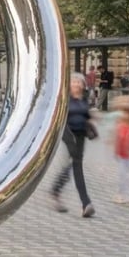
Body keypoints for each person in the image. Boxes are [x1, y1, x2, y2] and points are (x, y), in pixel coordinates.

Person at [49, 72, 96, 218]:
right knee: (76, 167)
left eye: (79, 82)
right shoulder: (64, 99)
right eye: (73, 82)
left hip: (81, 136)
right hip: (69, 136)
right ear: (69, 85)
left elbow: (86, 116)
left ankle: (56, 190)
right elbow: (58, 118)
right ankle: (86, 203)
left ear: (83, 85)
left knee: (72, 166)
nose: (76, 84)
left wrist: (92, 119)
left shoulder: (84, 100)